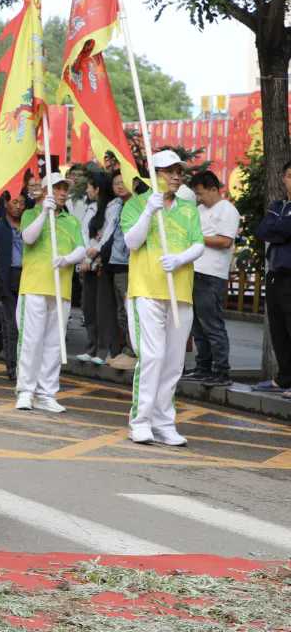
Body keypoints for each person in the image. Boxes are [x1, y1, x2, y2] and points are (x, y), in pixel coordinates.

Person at [121, 149, 204, 445]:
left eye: (179, 171)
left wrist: (181, 258)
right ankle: (140, 421)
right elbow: (132, 242)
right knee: (152, 356)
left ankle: (164, 421)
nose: (176, 176)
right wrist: (148, 211)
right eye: (169, 171)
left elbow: (199, 244)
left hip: (180, 293)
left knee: (173, 362)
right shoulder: (135, 204)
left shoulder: (188, 208)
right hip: (146, 290)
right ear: (154, 174)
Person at [15, 173, 86, 413]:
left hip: (60, 289)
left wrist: (67, 259)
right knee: (31, 340)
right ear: (45, 191)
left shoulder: (71, 220)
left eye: (65, 188)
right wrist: (44, 213)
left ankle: (46, 393)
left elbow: (81, 249)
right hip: (34, 286)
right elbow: (28, 238)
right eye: (57, 188)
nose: (63, 193)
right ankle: (26, 391)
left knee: (54, 344)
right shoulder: (30, 214)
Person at [182, 171, 239, 387]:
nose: (199, 198)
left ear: (214, 189)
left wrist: (197, 238)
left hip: (212, 274)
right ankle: (203, 367)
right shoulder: (199, 210)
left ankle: (221, 371)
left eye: (201, 193)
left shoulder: (227, 210)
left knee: (212, 324)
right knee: (197, 325)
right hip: (194, 271)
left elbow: (225, 241)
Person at [254, 160, 291, 398]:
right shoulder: (278, 205)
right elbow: (263, 231)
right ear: (283, 178)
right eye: (290, 176)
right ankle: (284, 377)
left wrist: (280, 228)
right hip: (275, 274)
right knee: (278, 330)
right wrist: (281, 228)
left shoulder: (278, 211)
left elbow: (283, 230)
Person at [77, 172, 116, 365]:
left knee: (103, 308)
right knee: (88, 306)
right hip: (88, 263)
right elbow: (84, 233)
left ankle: (103, 350)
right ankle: (91, 347)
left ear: (97, 189)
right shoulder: (91, 207)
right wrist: (86, 257)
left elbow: (108, 234)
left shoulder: (113, 207)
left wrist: (97, 252)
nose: (86, 190)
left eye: (89, 186)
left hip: (102, 264)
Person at [0, 193, 25, 380]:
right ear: (5, 203)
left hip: (26, 278)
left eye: (22, 203)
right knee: (11, 326)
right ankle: (13, 367)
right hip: (4, 279)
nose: (18, 206)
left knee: (19, 326)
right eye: (14, 202)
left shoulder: (28, 226)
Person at [104, 170, 136, 370]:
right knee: (121, 311)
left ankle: (133, 351)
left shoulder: (138, 205)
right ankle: (126, 349)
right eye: (116, 182)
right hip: (115, 262)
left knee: (129, 309)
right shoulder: (114, 205)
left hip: (131, 264)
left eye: (123, 181)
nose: (119, 185)